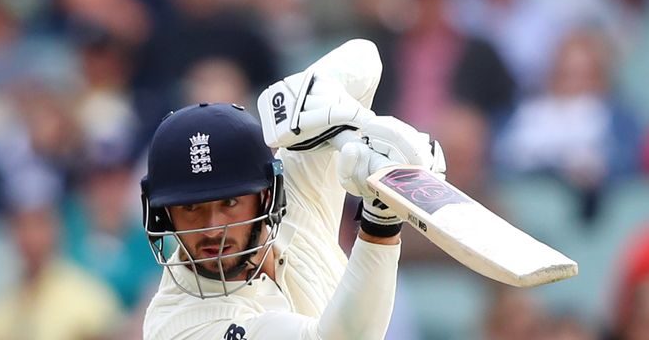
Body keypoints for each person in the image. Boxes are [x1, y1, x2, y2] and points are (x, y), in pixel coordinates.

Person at [141, 39, 446, 339]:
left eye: (229, 203)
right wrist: (381, 220)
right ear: (163, 215)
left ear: (267, 196)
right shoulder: (180, 326)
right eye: (191, 208)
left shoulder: (297, 194)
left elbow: (364, 58)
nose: (211, 228)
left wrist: (362, 136)